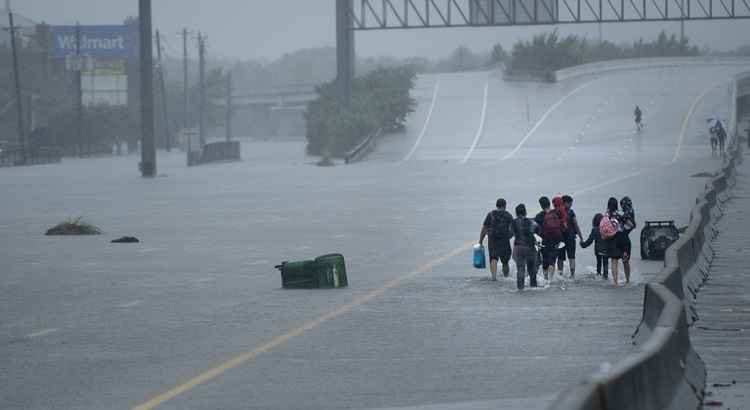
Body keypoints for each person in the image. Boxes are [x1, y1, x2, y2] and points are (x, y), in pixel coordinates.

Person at [479, 198, 514, 281]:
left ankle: (494, 277)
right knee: (505, 261)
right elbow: (513, 229)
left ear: (496, 205)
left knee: (493, 258)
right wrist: (510, 236)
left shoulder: (490, 214)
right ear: (505, 206)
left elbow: (484, 228)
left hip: (492, 239)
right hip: (504, 240)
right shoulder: (508, 215)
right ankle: (506, 277)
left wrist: (480, 240)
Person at [511, 204, 538, 290]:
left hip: (518, 247)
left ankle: (520, 288)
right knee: (532, 269)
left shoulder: (513, 222)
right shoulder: (531, 222)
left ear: (516, 213)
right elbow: (539, 231)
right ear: (525, 212)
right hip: (530, 247)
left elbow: (510, 233)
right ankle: (533, 287)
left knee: (520, 268)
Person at [539, 196, 565, 281]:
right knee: (552, 260)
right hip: (555, 240)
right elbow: (562, 224)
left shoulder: (540, 215)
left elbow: (535, 229)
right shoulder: (556, 213)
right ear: (549, 204)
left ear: (541, 205)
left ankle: (545, 278)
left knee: (545, 260)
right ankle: (551, 279)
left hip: (544, 240)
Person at [558, 195, 584, 278]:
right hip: (570, 238)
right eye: (570, 203)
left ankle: (560, 275)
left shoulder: (557, 212)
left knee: (560, 258)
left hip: (560, 239)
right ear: (565, 203)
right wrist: (581, 237)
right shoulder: (571, 212)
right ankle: (572, 275)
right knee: (571, 257)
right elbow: (576, 226)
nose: (571, 205)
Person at [580, 213, 609, 279]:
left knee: (599, 263)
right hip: (606, 250)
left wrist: (583, 245)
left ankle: (598, 275)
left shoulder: (595, 229)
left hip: (598, 250)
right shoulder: (606, 229)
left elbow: (590, 241)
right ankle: (605, 277)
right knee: (605, 264)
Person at [603, 197, 624, 286]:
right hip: (618, 238)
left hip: (609, 239)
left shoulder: (606, 215)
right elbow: (622, 227)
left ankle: (615, 281)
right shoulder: (618, 215)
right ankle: (619, 280)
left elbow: (603, 226)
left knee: (613, 260)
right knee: (618, 260)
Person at [619, 196, 636, 285]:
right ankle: (627, 279)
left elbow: (632, 225)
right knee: (625, 261)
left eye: (622, 205)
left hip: (623, 240)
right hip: (625, 239)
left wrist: (622, 218)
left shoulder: (628, 213)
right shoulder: (630, 211)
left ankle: (627, 280)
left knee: (623, 260)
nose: (621, 207)